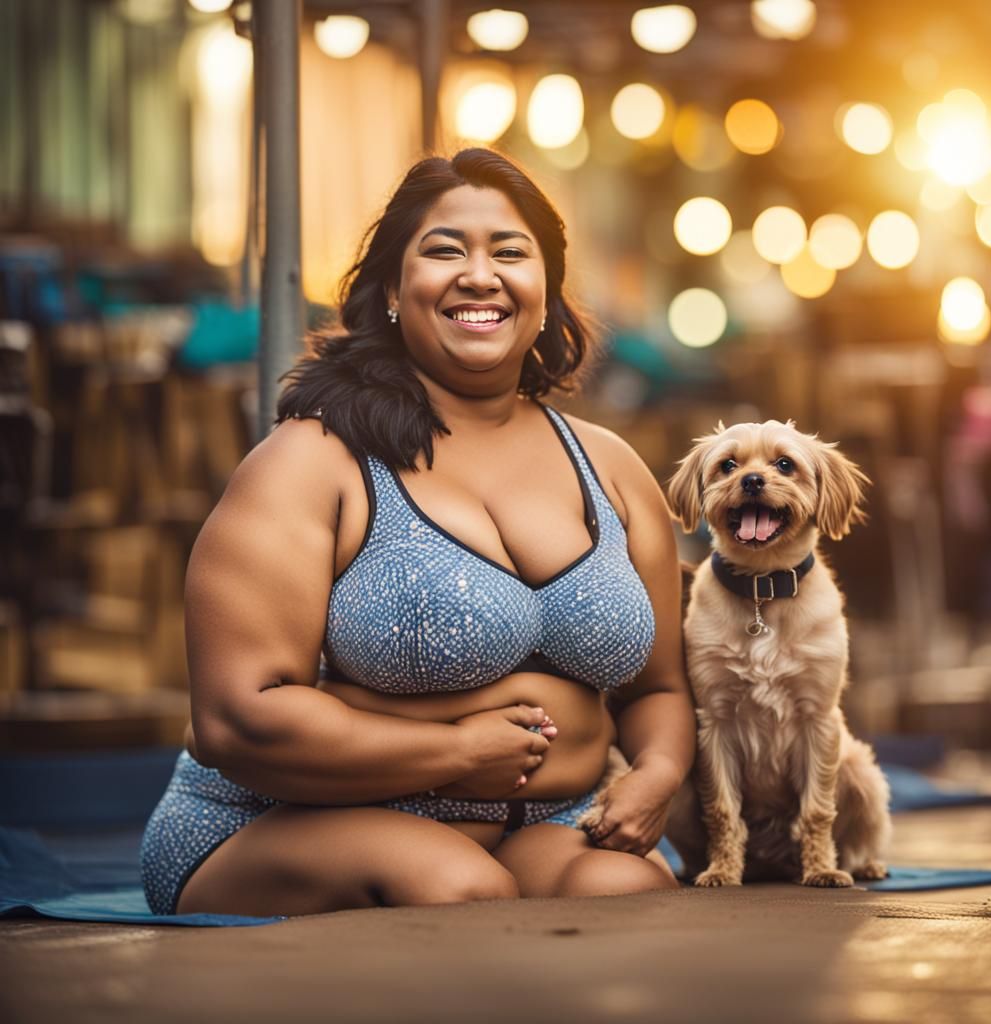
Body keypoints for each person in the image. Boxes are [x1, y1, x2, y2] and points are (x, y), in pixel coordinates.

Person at [141, 149, 695, 917]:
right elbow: (239, 717)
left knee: (627, 894)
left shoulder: (611, 468)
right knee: (453, 890)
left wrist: (657, 772)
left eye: (510, 252)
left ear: (547, 293)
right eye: (444, 251)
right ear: (394, 291)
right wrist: (458, 754)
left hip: (540, 823)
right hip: (278, 824)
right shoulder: (315, 460)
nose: (480, 274)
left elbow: (658, 686)